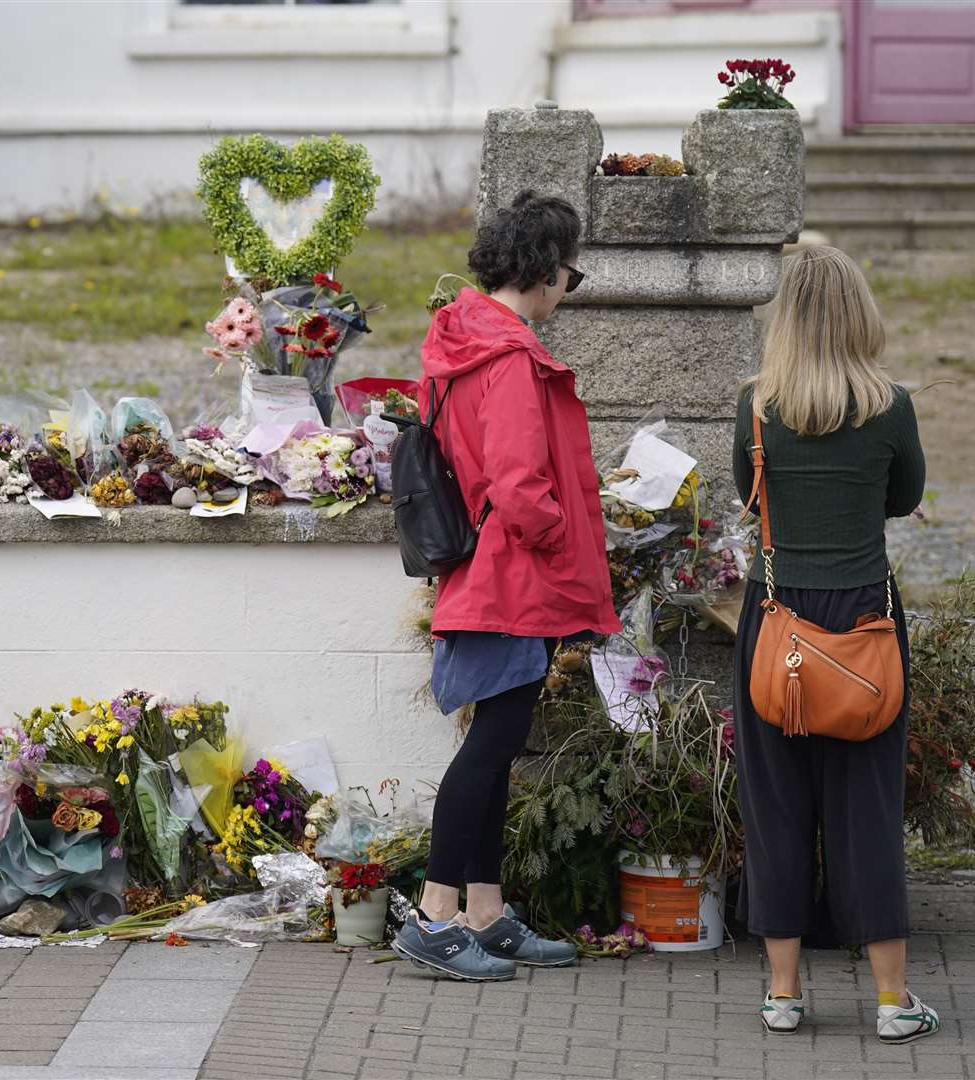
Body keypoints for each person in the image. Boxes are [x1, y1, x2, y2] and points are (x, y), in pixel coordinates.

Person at [390, 191, 621, 982]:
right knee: (490, 749)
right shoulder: (513, 357)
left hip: (485, 571)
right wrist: (563, 538)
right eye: (571, 275)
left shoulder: (460, 344)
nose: (568, 290)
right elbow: (523, 487)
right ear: (547, 270)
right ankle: (433, 915)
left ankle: (483, 913)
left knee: (496, 742)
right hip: (514, 576)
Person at [732, 246, 933, 1043]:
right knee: (868, 810)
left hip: (775, 616)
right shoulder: (891, 406)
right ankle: (891, 1003)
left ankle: (783, 995)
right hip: (865, 623)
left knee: (775, 806)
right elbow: (905, 496)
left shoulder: (755, 405)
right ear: (857, 314)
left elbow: (752, 501)